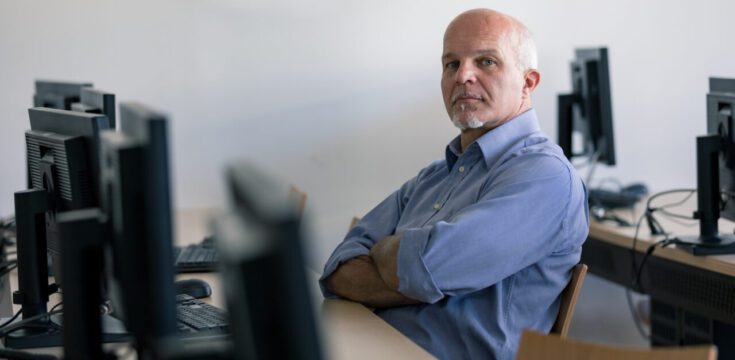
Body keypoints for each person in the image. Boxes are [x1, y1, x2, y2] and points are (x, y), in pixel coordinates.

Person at [320, 8, 589, 360]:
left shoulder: (547, 177)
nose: (463, 76)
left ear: (528, 82)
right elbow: (338, 269)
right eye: (451, 64)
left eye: (487, 62)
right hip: (367, 346)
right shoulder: (435, 175)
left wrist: (387, 252)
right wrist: (414, 273)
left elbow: (429, 269)